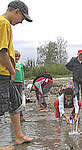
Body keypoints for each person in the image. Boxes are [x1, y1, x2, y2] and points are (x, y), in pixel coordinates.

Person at [0, 0, 33, 145]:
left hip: (6, 74)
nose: (21, 22)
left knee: (15, 103)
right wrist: (13, 71)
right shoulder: (3, 23)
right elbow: (2, 52)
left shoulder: (4, 24)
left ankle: (19, 136)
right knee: (1, 107)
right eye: (22, 18)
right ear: (16, 12)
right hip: (2, 73)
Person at [14, 50, 25, 121]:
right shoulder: (12, 64)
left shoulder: (20, 65)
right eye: (16, 56)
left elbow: (23, 76)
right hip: (13, 83)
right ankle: (15, 115)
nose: (17, 58)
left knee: (20, 99)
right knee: (14, 99)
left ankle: (21, 115)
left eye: (18, 56)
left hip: (20, 83)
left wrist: (23, 85)